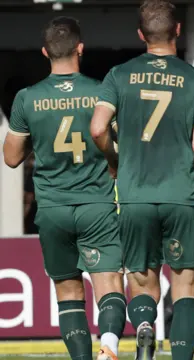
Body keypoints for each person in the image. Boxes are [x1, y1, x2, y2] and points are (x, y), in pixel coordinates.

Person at [89, 1, 194, 359]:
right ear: (179, 31)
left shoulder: (118, 75)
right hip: (181, 197)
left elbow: (97, 129)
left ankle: (143, 326)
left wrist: (114, 160)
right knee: (185, 287)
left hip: (135, 195)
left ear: (141, 35)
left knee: (141, 282)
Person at [3, 17, 126, 360]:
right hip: (96, 204)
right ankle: (110, 347)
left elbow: (11, 158)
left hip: (53, 209)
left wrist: (34, 138)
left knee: (68, 293)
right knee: (110, 286)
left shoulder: (27, 99)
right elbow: (117, 146)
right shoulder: (102, 91)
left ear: (45, 52)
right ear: (80, 49)